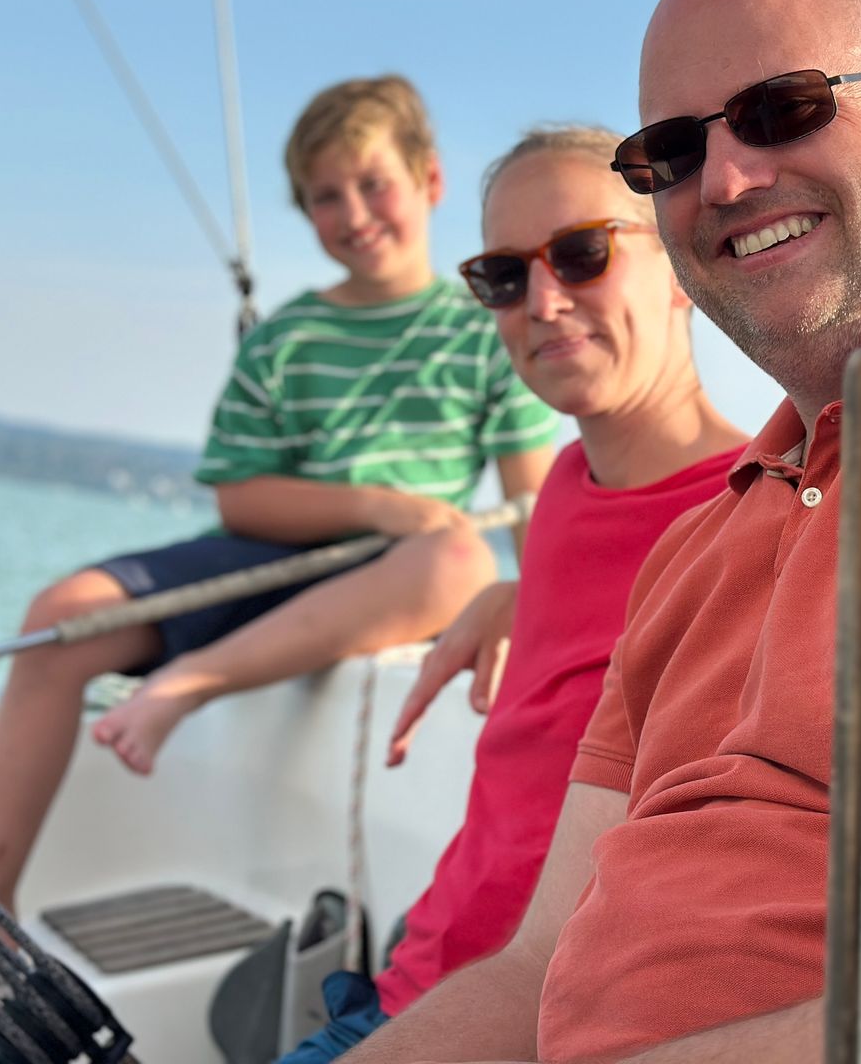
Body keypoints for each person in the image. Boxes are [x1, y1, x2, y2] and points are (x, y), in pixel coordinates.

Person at [343, 0, 861, 1062]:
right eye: (675, 151)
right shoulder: (696, 549)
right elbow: (538, 969)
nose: (728, 180)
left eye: (783, 109)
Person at [0, 74, 558, 1001]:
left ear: (428, 182)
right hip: (282, 556)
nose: (353, 213)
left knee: (461, 555)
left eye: (373, 184)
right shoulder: (288, 337)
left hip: (402, 579)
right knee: (58, 617)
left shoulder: (486, 325)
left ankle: (185, 686)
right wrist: (378, 503)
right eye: (324, 197)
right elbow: (242, 499)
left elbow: (534, 508)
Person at [272, 124, 750, 1063]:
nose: (543, 301)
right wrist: (510, 599)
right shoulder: (566, 489)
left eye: (582, 254)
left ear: (677, 260)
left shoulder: (750, 514)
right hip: (419, 973)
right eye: (502, 275)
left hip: (533, 1021)